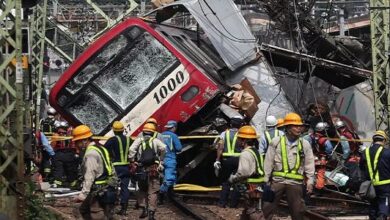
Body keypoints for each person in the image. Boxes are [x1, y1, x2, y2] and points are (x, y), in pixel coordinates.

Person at [263, 112, 315, 220]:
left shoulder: (304, 144)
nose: (299, 128)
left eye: (300, 126)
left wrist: (310, 181)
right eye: (295, 126)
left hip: (295, 183)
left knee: (298, 211)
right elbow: (268, 161)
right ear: (288, 127)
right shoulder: (276, 142)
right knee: (267, 208)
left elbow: (309, 163)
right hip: (277, 181)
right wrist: (265, 179)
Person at [73, 125, 117, 220]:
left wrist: (83, 194)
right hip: (108, 186)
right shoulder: (101, 148)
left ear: (84, 140)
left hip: (98, 190)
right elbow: (111, 167)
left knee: (96, 213)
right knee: (85, 210)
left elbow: (90, 175)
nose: (76, 145)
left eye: (77, 142)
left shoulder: (90, 154)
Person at [129, 123, 166, 220]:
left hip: (141, 169)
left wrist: (132, 160)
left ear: (143, 132)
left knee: (142, 190)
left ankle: (143, 209)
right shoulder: (156, 141)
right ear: (153, 132)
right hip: (153, 169)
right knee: (153, 191)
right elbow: (164, 148)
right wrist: (160, 159)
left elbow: (131, 149)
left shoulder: (139, 141)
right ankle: (151, 214)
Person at [228, 125, 265, 219]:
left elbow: (243, 173)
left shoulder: (245, 154)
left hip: (250, 186)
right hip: (258, 184)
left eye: (239, 139)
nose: (238, 141)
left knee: (252, 210)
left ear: (244, 140)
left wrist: (233, 178)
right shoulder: (255, 151)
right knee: (250, 208)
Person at [214, 115, 245, 208]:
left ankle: (222, 203)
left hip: (227, 160)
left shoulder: (224, 134)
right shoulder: (242, 134)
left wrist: (217, 159)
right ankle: (233, 204)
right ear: (240, 125)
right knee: (238, 181)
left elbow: (220, 147)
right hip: (239, 159)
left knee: (225, 182)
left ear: (231, 124)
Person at [104, 121, 133, 215]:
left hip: (116, 166)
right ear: (123, 129)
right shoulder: (129, 139)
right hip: (127, 167)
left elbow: (104, 150)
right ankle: (124, 209)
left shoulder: (112, 140)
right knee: (125, 188)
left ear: (114, 130)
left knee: (111, 187)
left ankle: (110, 208)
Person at [360, 130, 390, 220]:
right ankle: (382, 216)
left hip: (371, 185)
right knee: (384, 205)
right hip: (385, 185)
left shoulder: (365, 152)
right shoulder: (387, 152)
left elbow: (361, 167)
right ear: (384, 141)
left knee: (373, 205)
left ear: (373, 140)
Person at [159, 120, 182, 203]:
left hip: (161, 159)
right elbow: (179, 148)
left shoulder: (161, 135)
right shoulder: (174, 136)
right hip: (170, 159)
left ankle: (169, 195)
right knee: (170, 178)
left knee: (163, 177)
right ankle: (160, 194)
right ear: (174, 127)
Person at [305, 122, 333, 190]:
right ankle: (319, 187)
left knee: (309, 172)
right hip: (321, 158)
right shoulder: (324, 140)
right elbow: (329, 149)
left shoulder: (309, 136)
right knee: (320, 172)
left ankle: (307, 186)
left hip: (311, 157)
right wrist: (328, 155)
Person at [51, 121, 78, 188]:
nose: (61, 131)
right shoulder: (71, 133)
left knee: (61, 169)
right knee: (69, 169)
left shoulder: (56, 135)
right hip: (68, 153)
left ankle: (59, 183)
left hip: (62, 153)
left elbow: (53, 145)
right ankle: (72, 183)